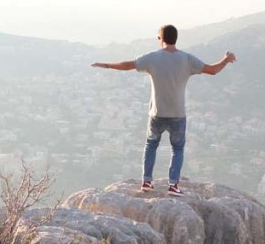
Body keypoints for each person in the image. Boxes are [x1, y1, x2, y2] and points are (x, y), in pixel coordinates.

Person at [92, 24, 236, 195]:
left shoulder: (153, 58)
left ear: (161, 39)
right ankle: (173, 185)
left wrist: (106, 65)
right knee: (178, 149)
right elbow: (212, 70)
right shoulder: (187, 59)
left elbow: (128, 65)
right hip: (177, 114)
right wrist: (226, 59)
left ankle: (146, 181)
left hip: (157, 113)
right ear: (175, 39)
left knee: (151, 145)